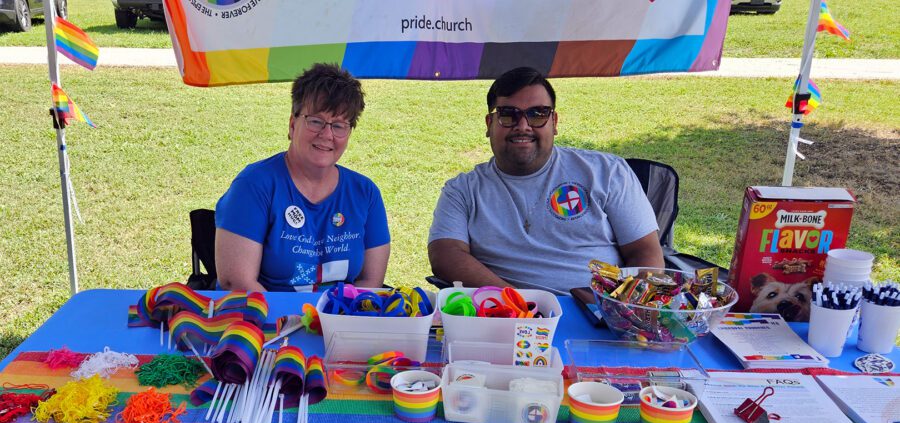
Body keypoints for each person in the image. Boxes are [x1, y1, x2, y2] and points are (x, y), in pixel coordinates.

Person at [427, 67, 664, 295]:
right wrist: (520, 302)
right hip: (506, 317)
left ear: (555, 122)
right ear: (489, 125)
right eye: (508, 115)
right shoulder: (462, 190)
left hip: (598, 316)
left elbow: (645, 252)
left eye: (537, 114)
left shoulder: (607, 172)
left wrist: (621, 308)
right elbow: (445, 254)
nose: (523, 126)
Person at [215, 63, 390, 292]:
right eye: (315, 121)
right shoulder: (254, 186)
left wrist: (330, 323)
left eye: (339, 125)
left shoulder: (366, 193)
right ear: (292, 124)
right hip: (266, 322)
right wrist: (295, 322)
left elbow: (370, 283)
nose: (327, 135)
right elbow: (237, 282)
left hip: (336, 323)